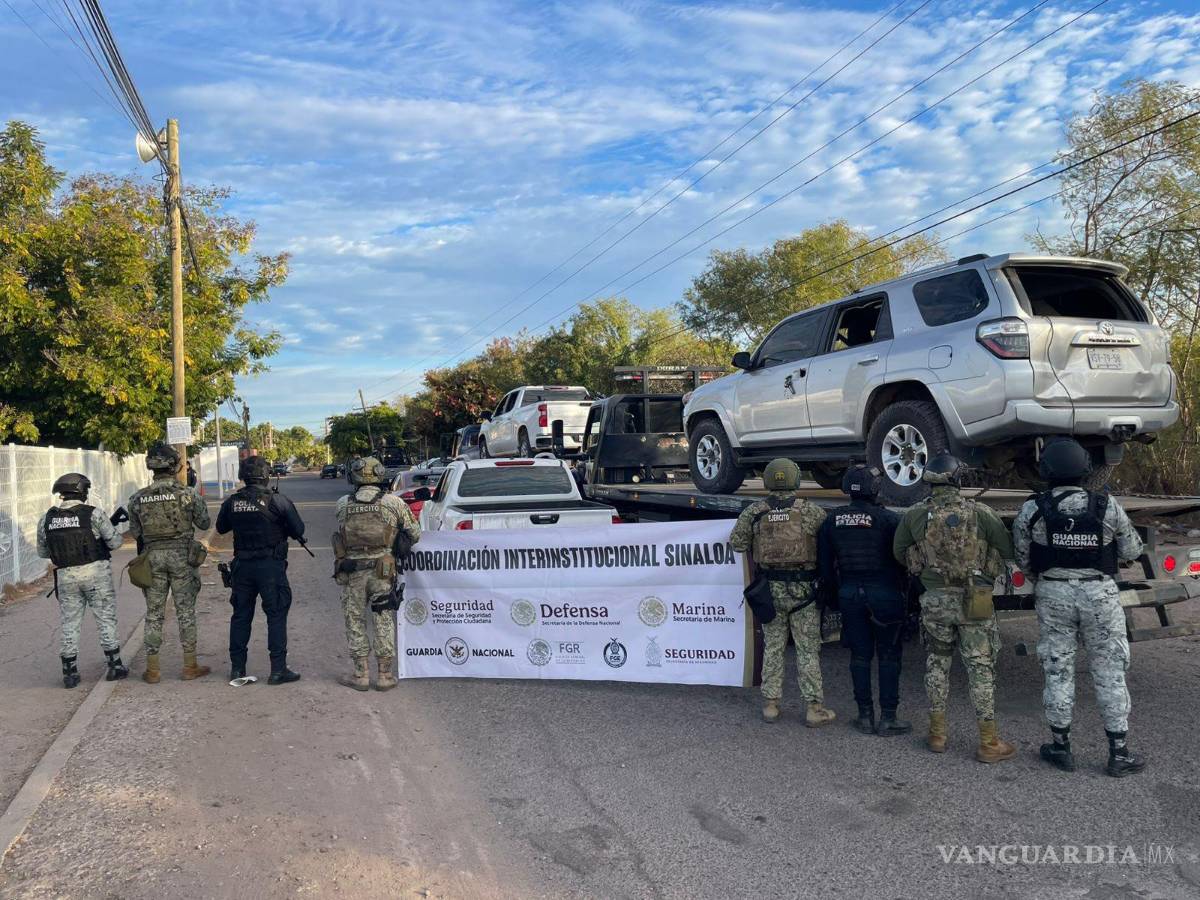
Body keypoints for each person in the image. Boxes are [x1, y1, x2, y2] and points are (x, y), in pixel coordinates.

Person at [1012, 439, 1145, 777]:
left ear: (1046, 471)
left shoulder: (1033, 509)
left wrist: (1047, 577)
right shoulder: (1107, 505)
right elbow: (1131, 550)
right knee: (1110, 671)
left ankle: (1061, 746)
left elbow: (1023, 559)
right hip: (1099, 594)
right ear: (1086, 469)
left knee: (1057, 668)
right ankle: (1119, 753)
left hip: (1053, 593)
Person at [893, 453, 1016, 763]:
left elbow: (899, 552)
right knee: (980, 669)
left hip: (935, 600)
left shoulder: (914, 515)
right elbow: (1007, 549)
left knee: (937, 664)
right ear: (957, 480)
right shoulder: (982, 512)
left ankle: (937, 734)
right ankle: (988, 743)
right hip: (975, 600)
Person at [730, 458, 835, 726]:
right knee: (808, 650)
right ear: (797, 480)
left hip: (770, 592)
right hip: (804, 593)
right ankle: (814, 708)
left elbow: (738, 544)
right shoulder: (812, 512)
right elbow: (829, 546)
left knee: (773, 647)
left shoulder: (754, 512)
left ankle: (771, 705)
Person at [817, 464, 909, 736]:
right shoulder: (889, 520)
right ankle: (889, 717)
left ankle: (864, 715)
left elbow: (825, 566)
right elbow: (904, 560)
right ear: (875, 488)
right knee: (889, 655)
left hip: (850, 594)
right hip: (885, 593)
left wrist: (836, 595)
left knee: (859, 656)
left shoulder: (831, 520)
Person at [215, 455, 306, 685]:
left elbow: (221, 527)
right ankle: (278, 670)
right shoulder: (278, 501)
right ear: (266, 476)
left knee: (241, 616)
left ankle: (237, 669)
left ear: (243, 477)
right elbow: (299, 529)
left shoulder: (232, 502)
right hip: (270, 567)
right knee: (276, 615)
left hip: (242, 566)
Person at [334, 455, 420, 691]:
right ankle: (384, 675)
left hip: (353, 573)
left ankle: (360, 675)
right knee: (382, 620)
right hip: (383, 572)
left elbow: (341, 532)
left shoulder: (343, 503)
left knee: (355, 620)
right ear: (380, 475)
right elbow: (414, 533)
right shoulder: (392, 502)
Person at [127, 442, 212, 683]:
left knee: (154, 614)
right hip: (182, 558)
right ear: (175, 466)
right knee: (185, 612)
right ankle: (189, 666)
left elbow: (136, 533)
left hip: (152, 558)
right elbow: (204, 524)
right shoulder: (188, 494)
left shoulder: (137, 498)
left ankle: (153, 670)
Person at [36, 473, 128, 687]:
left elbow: (43, 552)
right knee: (105, 618)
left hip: (66, 576)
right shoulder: (93, 514)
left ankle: (69, 673)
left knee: (70, 623)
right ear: (82, 492)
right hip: (96, 574)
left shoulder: (46, 518)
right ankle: (114, 666)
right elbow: (115, 543)